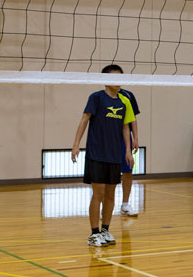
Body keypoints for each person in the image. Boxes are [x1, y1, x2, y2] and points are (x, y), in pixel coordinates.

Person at [71, 64, 135, 247]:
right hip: (96, 154)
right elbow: (84, 120)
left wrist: (128, 151)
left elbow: (125, 127)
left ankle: (105, 230)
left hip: (115, 155)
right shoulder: (96, 98)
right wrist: (76, 145)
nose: (119, 81)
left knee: (110, 195)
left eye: (121, 78)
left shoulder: (124, 101)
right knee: (97, 194)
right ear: (106, 80)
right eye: (115, 78)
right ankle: (93, 233)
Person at [118, 83, 141, 217]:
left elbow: (133, 119)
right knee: (109, 174)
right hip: (110, 140)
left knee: (127, 171)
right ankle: (105, 207)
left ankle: (125, 204)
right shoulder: (101, 97)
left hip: (125, 139)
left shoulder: (128, 95)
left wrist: (135, 138)